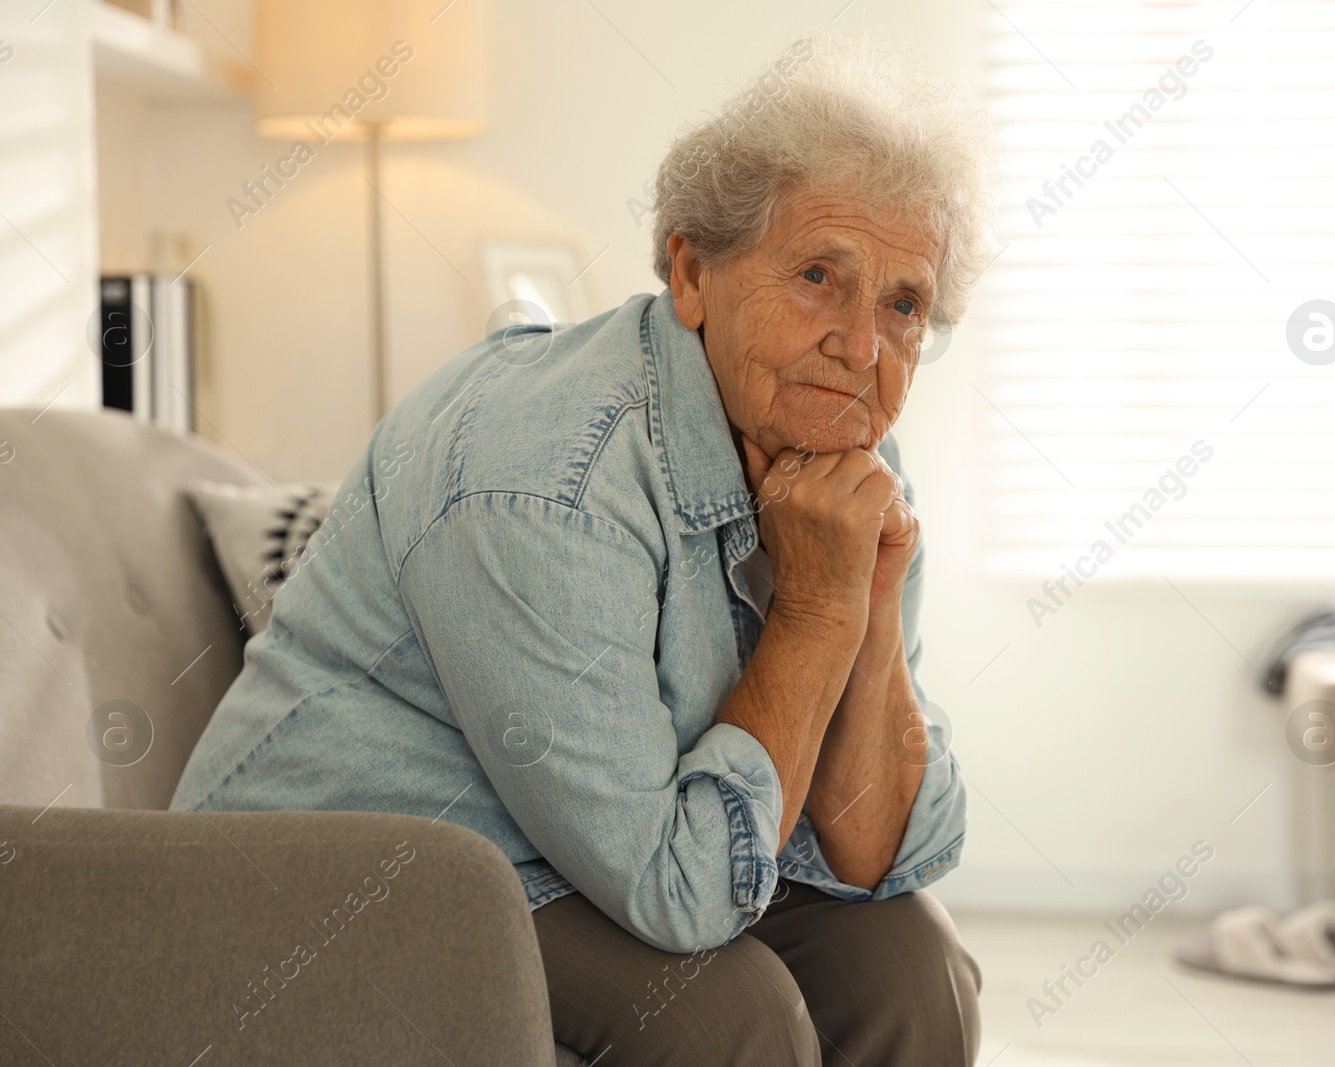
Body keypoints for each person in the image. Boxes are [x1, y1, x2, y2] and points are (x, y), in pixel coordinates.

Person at [174, 34, 992, 1065]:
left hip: (594, 846)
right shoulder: (543, 478)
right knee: (721, 1013)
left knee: (908, 960)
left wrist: (859, 596)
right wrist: (819, 609)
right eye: (820, 275)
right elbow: (680, 891)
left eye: (902, 303)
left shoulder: (846, 455)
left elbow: (884, 850)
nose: (861, 346)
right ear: (693, 272)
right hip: (333, 879)